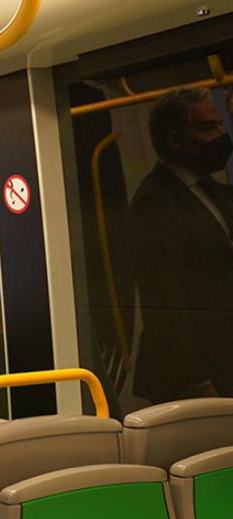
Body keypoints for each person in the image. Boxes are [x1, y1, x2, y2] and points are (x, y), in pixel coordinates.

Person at [127, 88, 233, 403]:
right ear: (175, 141)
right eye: (207, 128)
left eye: (220, 124)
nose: (220, 134)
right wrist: (199, 383)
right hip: (191, 377)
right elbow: (165, 301)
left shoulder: (211, 190)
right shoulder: (155, 202)